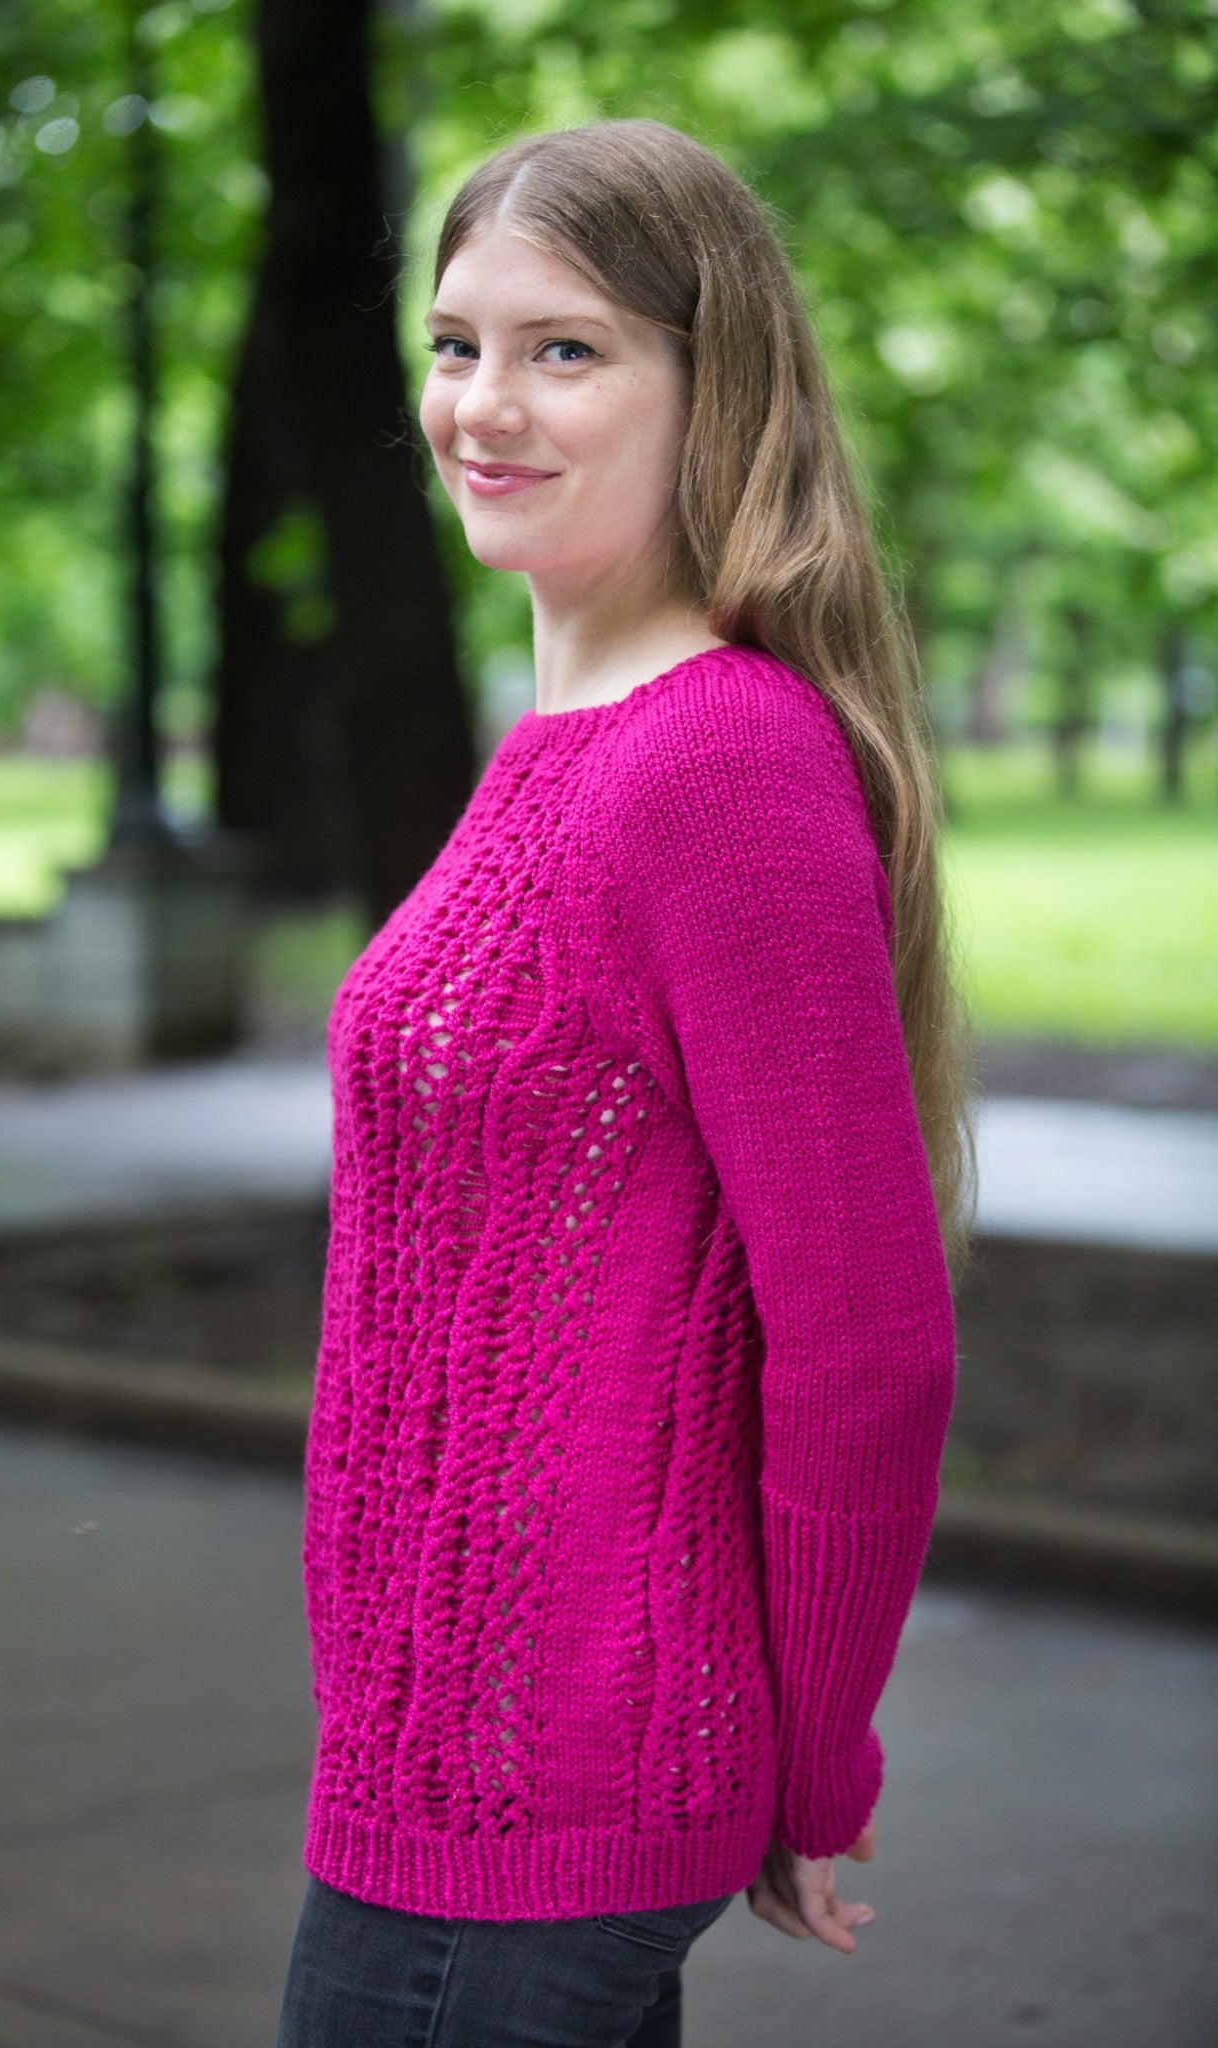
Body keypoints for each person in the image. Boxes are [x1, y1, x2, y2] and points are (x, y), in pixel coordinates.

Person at [276, 116, 978, 2048]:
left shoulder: (719, 764)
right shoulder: (560, 748)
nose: (485, 406)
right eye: (454, 343)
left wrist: (815, 1753)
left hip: (550, 1784)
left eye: (564, 349)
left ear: (710, 386)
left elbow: (863, 1333)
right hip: (434, 1756)